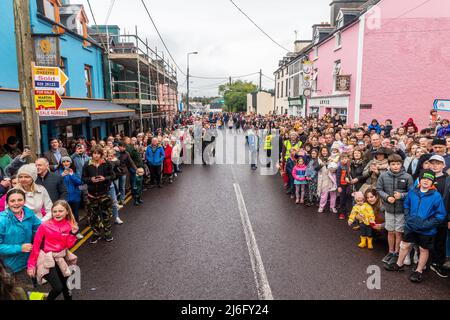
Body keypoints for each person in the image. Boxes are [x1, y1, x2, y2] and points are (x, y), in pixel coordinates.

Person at [385, 170, 446, 283]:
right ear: (420, 179)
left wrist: (427, 224)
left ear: (432, 182)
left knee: (423, 249)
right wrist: (408, 217)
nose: (426, 181)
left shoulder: (436, 195)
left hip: (427, 230)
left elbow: (440, 214)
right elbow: (406, 204)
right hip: (411, 226)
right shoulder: (413, 191)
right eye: (424, 178)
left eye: (429, 179)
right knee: (405, 245)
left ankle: (418, 271)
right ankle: (399, 264)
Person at [27, 200, 78, 300]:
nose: (57, 213)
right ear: (51, 212)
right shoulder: (44, 226)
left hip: (60, 258)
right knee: (58, 288)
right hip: (46, 259)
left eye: (60, 211)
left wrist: (72, 234)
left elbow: (69, 245)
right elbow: (36, 246)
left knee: (67, 286)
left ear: (67, 212)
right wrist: (31, 265)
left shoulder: (69, 225)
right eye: (55, 211)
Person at [376, 154, 414, 265]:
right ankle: (390, 251)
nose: (396, 166)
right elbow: (379, 189)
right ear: (389, 165)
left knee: (398, 233)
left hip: (401, 211)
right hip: (388, 209)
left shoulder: (407, 177)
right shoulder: (383, 176)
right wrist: (387, 197)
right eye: (393, 164)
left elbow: (412, 193)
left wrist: (401, 196)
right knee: (390, 231)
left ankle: (397, 252)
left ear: (401, 164)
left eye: (398, 164)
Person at [0, 189, 41, 287]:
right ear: (7, 203)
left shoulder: (29, 214)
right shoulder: (2, 220)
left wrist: (67, 229)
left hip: (27, 264)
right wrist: (20, 248)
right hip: (8, 268)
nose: (16, 203)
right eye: (12, 201)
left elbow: (42, 228)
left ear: (24, 201)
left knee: (29, 292)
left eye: (20, 200)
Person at [82, 146, 114, 243]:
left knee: (106, 216)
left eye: (98, 153)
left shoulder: (106, 163)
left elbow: (113, 175)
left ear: (101, 154)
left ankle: (107, 233)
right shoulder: (87, 164)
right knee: (93, 217)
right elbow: (83, 178)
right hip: (91, 196)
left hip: (104, 195)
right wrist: (90, 180)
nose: (96, 155)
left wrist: (104, 178)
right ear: (91, 154)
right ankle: (96, 234)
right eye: (94, 153)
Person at [57, 157, 83, 240]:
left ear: (70, 163)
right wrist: (61, 176)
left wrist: (72, 175)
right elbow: (56, 183)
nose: (65, 163)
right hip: (64, 199)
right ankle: (67, 233)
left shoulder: (75, 172)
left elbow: (80, 183)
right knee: (64, 216)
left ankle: (77, 232)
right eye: (63, 161)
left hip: (75, 197)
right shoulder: (58, 172)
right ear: (61, 163)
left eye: (67, 161)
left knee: (75, 215)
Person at [337, 153, 352, 220]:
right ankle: (342, 213)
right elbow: (338, 177)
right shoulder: (340, 167)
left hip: (349, 185)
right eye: (342, 159)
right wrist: (339, 186)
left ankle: (349, 212)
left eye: (345, 158)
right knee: (342, 199)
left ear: (348, 159)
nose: (344, 160)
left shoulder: (350, 166)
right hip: (342, 185)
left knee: (348, 198)